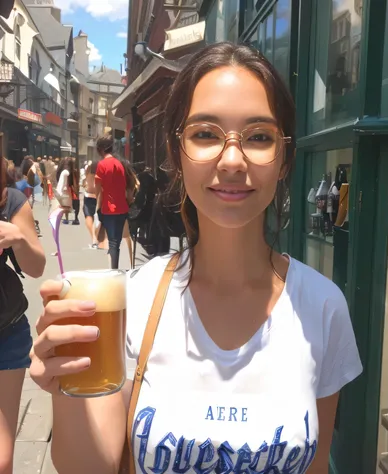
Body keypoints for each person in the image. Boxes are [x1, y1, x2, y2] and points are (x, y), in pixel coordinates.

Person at [29, 43, 362, 473]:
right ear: (177, 154)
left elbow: (314, 465)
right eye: (205, 134)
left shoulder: (322, 307)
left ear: (284, 158)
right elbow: (92, 466)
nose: (232, 160)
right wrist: (65, 386)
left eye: (259, 137)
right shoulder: (134, 299)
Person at [0, 157, 45, 474]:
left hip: (6, 331)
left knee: (1, 458)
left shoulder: (11, 199)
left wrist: (18, 239)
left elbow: (37, 266)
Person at [94, 135, 129, 269]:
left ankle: (114, 269)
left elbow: (98, 190)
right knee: (116, 242)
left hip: (109, 208)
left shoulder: (102, 165)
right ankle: (115, 266)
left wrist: (98, 207)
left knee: (113, 242)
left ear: (101, 149)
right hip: (122, 207)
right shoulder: (119, 164)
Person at [83, 161, 99, 249]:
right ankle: (95, 237)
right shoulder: (101, 174)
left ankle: (94, 237)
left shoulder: (88, 172)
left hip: (89, 195)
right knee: (97, 217)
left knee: (89, 216)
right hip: (99, 196)